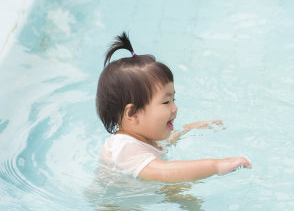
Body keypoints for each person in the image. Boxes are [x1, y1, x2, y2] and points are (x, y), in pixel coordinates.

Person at [96, 32, 251, 182]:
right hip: (116, 207)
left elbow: (169, 141)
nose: (175, 108)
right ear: (132, 113)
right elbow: (164, 173)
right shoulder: (123, 147)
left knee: (183, 192)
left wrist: (190, 128)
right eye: (166, 102)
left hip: (139, 195)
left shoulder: (146, 136)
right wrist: (215, 166)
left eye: (173, 99)